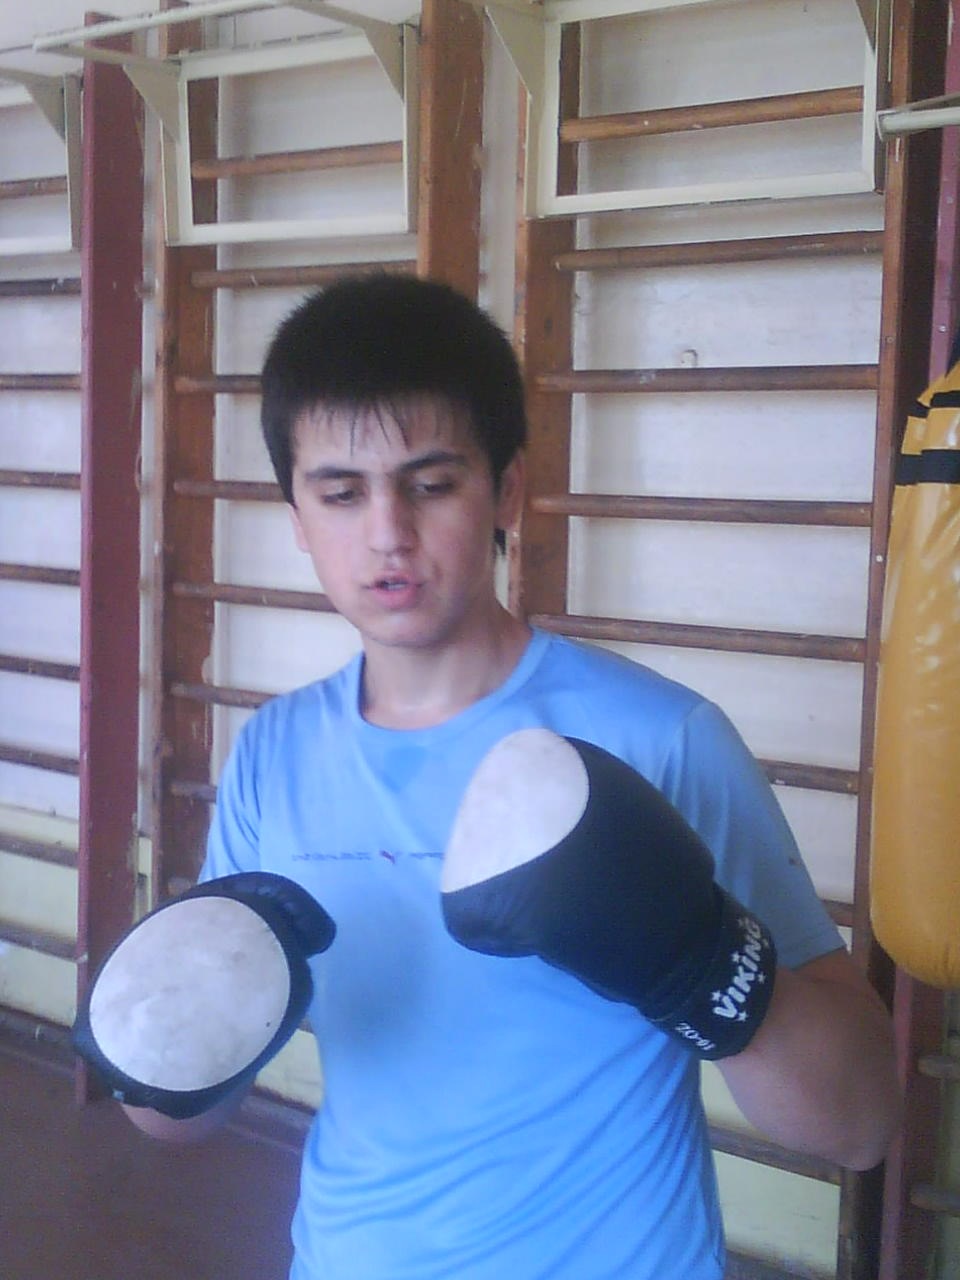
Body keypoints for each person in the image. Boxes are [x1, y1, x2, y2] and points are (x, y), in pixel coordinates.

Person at [125, 274, 900, 1278]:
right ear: (297, 517)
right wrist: (157, 1041)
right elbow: (175, 1115)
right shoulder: (274, 753)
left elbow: (861, 1123)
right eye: (342, 492)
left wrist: (697, 959)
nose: (388, 532)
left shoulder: (660, 737)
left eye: (432, 483)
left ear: (508, 490)